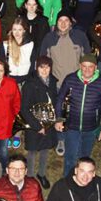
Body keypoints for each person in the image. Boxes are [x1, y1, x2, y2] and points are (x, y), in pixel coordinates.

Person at [55, 54, 101, 177]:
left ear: (96, 67)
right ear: (80, 66)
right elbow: (60, 100)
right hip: (72, 126)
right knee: (70, 158)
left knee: (84, 158)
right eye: (84, 66)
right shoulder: (70, 79)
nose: (87, 70)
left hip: (90, 128)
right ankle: (68, 182)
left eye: (90, 67)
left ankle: (81, 183)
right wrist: (59, 119)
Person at [20, 56, 59, 188]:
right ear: (37, 68)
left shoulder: (52, 82)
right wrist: (37, 126)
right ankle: (30, 177)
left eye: (47, 67)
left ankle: (41, 174)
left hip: (48, 123)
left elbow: (55, 101)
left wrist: (53, 120)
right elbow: (24, 108)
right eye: (41, 67)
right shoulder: (30, 84)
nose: (44, 70)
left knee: (45, 149)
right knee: (32, 151)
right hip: (34, 124)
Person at [40, 10, 91, 87]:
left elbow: (88, 59)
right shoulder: (49, 38)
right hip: (56, 84)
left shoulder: (80, 36)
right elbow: (43, 61)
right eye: (60, 20)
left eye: (66, 20)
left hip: (76, 84)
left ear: (70, 23)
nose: (63, 23)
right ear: (57, 23)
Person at [0, 17, 35, 84]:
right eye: (14, 29)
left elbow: (32, 64)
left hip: (25, 80)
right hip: (9, 79)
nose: (17, 33)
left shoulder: (30, 45)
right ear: (11, 30)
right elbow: (1, 63)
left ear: (24, 30)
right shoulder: (5, 45)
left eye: (20, 30)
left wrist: (29, 80)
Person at [19, 0, 51, 64]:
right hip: (22, 56)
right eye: (29, 4)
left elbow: (46, 40)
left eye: (34, 5)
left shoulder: (43, 21)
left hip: (38, 56)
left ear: (37, 6)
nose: (31, 7)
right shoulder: (20, 20)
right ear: (25, 5)